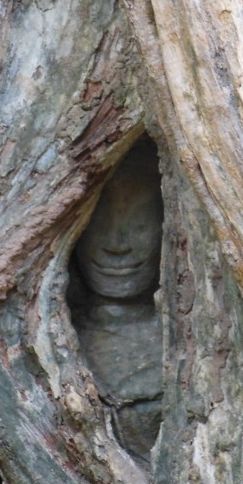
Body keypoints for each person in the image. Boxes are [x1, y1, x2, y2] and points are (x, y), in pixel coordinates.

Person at [71, 141, 164, 461]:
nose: (116, 245)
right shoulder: (52, 336)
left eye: (140, 223)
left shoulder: (190, 345)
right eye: (98, 222)